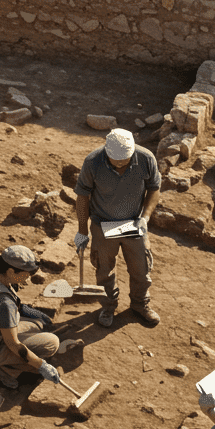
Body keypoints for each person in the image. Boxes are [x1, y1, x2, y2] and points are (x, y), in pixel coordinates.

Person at [73, 128, 162, 328]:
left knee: (141, 269)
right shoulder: (92, 162)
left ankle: (140, 304)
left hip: (133, 223)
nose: (121, 163)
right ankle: (108, 305)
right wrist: (82, 231)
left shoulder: (146, 158)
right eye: (116, 160)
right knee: (104, 271)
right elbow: (82, 197)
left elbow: (154, 189)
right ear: (107, 151)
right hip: (103, 225)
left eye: (125, 159)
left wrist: (145, 218)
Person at [0, 245, 81, 390]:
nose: (28, 279)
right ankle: (3, 370)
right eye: (26, 274)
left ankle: (7, 363)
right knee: (51, 343)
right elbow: (13, 345)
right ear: (11, 271)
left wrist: (36, 315)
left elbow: (12, 309)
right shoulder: (3, 303)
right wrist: (42, 365)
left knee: (36, 325)